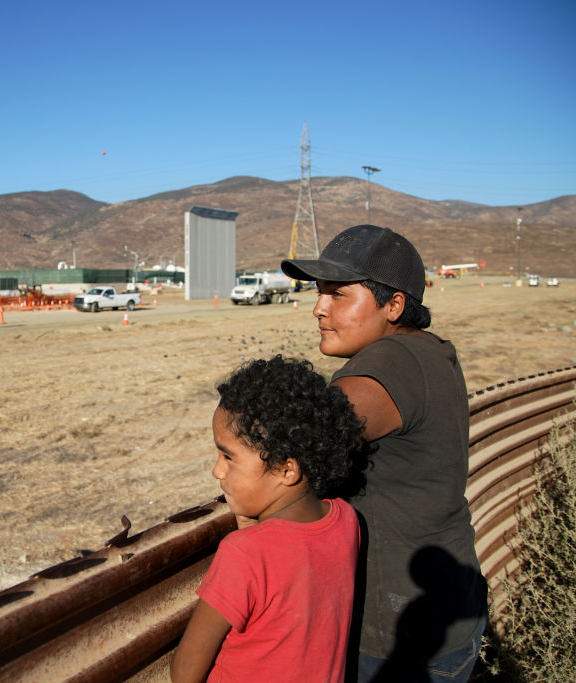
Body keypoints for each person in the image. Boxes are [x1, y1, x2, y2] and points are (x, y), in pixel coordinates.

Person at [281, 225, 487, 682]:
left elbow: (298, 444)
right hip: (445, 608)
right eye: (319, 293)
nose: (318, 308)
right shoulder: (429, 352)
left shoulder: (388, 362)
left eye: (339, 296)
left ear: (394, 305)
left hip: (401, 635)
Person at [171, 355, 363, 683]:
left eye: (228, 457)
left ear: (287, 470)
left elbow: (184, 672)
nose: (217, 471)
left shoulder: (243, 554)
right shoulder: (347, 520)